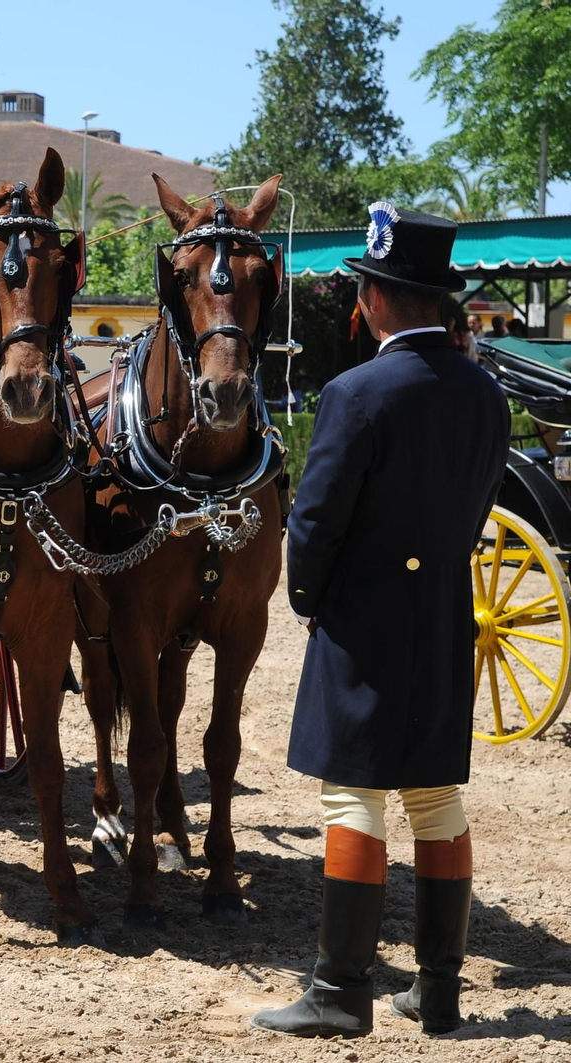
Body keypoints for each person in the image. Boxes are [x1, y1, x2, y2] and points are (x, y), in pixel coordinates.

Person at [251, 205, 509, 1040]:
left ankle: (340, 988)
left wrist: (307, 597)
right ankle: (438, 993)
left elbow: (315, 523)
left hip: (363, 619)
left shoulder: (353, 393)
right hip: (442, 616)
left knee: (352, 796)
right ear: (441, 300)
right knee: (436, 799)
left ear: (372, 300)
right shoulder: (486, 395)